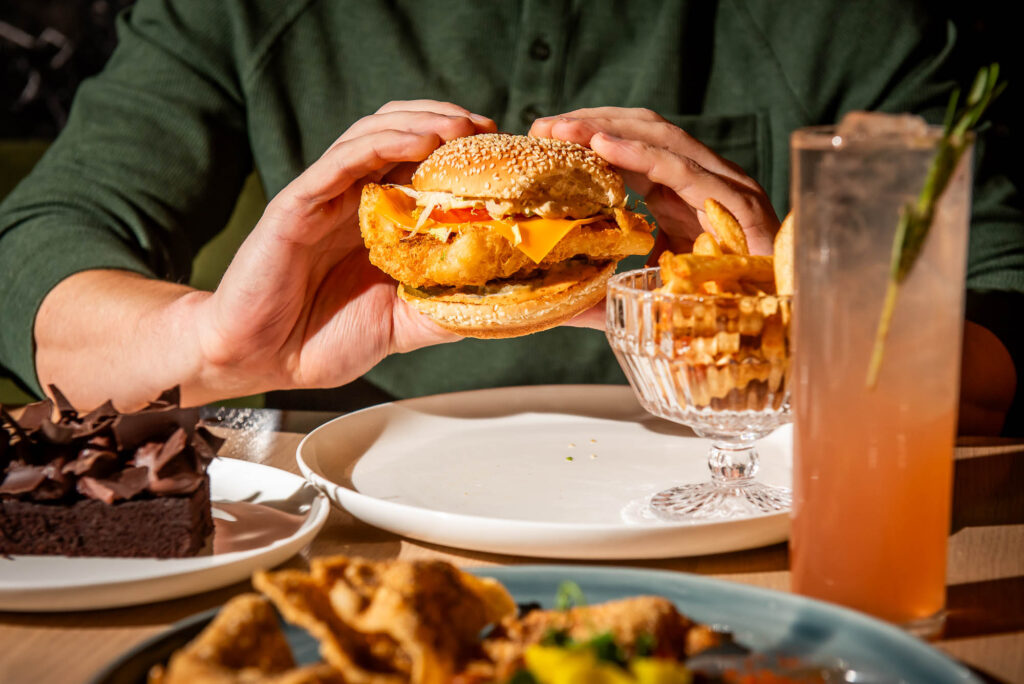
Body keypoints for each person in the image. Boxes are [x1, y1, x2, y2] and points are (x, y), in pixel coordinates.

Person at [0, 0, 1020, 434]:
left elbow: (1005, 326)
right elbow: (38, 256)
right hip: (347, 514)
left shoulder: (851, 21)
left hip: (751, 531)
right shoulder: (242, 11)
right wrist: (222, 345)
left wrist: (804, 337)